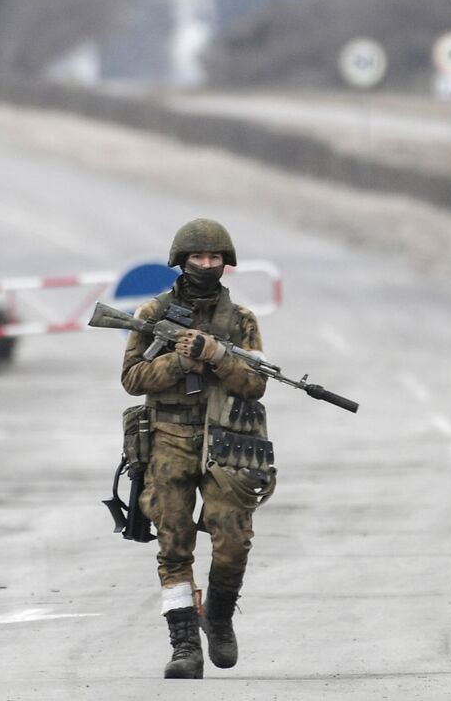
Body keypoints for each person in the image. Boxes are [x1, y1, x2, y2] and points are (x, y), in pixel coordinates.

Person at [120, 218, 270, 679]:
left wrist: (219, 356)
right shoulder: (152, 314)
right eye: (198, 257)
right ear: (180, 261)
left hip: (227, 441)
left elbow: (256, 383)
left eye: (215, 258)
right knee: (173, 542)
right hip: (167, 437)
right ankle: (184, 642)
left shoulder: (242, 320)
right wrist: (180, 359)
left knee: (232, 541)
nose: (206, 265)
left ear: (226, 263)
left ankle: (219, 616)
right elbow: (132, 378)